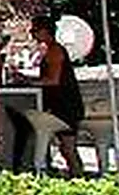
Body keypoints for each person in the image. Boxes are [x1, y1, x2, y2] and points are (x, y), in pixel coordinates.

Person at [27, 14, 86, 178]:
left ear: (45, 31)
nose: (32, 34)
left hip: (66, 105)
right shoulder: (50, 49)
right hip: (63, 105)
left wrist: (30, 83)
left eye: (35, 30)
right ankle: (77, 177)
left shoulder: (55, 50)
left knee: (68, 147)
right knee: (66, 147)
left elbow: (53, 80)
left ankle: (79, 178)